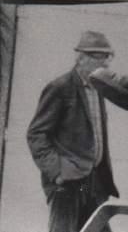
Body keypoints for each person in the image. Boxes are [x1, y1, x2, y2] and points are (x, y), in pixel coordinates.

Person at [27, 31, 119, 232]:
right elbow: (36, 134)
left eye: (108, 57)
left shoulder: (99, 88)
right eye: (100, 57)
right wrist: (57, 171)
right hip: (68, 183)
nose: (106, 63)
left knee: (97, 228)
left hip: (93, 182)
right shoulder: (60, 87)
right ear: (82, 58)